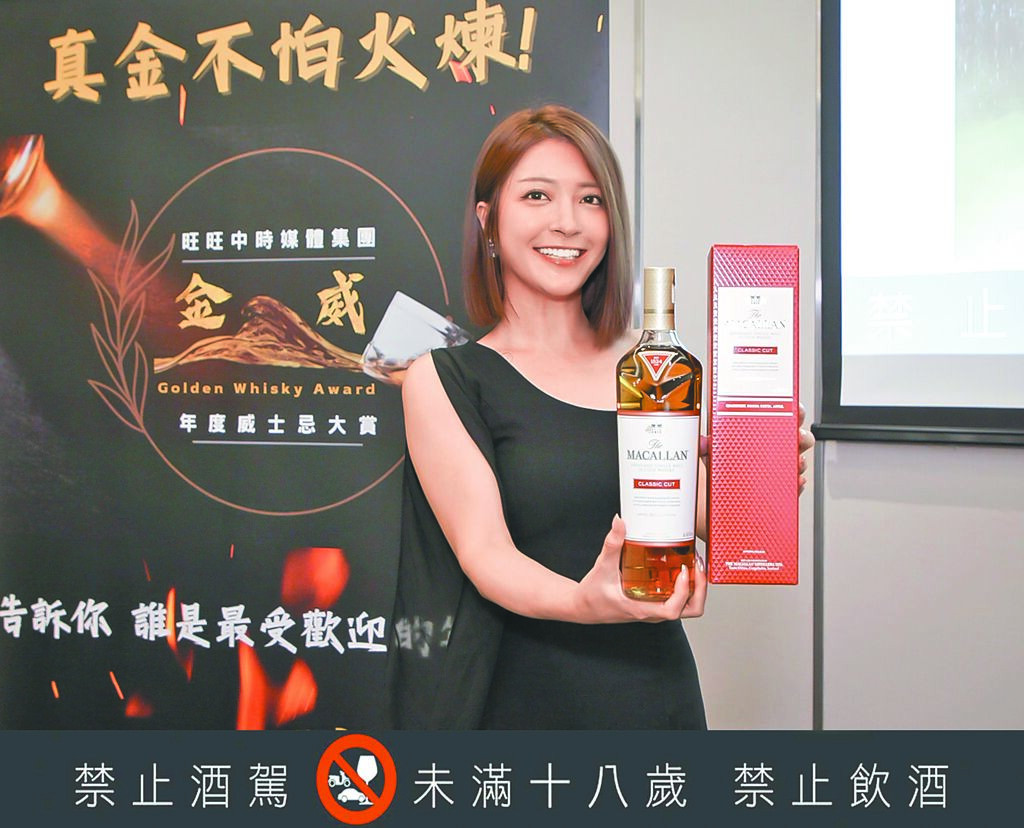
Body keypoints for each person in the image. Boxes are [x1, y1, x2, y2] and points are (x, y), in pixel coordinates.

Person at [386, 104, 814, 729]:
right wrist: (587, 601)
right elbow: (487, 556)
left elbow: (705, 522)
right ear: (488, 218)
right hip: (519, 704)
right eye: (537, 195)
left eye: (590, 200)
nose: (567, 222)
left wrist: (756, 474)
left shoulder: (654, 370)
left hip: (653, 695)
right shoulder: (445, 378)